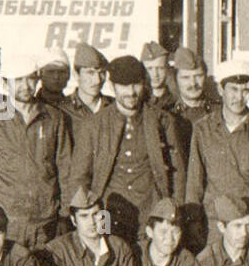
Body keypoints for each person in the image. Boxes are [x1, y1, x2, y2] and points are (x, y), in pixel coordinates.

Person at [68, 54, 185, 244]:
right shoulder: (94, 124)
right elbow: (80, 176)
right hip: (106, 212)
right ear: (113, 87)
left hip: (151, 209)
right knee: (109, 258)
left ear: (143, 84)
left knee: (149, 261)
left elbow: (178, 172)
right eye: (124, 86)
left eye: (136, 85)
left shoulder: (162, 121)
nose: (131, 92)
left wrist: (173, 211)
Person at [184, 58, 249, 244]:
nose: (239, 98)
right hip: (215, 222)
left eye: (245, 91)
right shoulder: (203, 129)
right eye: (233, 90)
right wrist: (193, 220)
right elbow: (195, 181)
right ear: (221, 90)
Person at [0, 55, 73, 249]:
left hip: (47, 220)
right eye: (18, 80)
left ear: (38, 79)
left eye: (30, 78)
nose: (25, 85)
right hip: (9, 221)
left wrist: (64, 214)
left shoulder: (54, 118)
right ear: (5, 83)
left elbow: (65, 169)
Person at [62, 42, 112, 136]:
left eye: (102, 73)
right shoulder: (62, 111)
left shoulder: (115, 107)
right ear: (76, 75)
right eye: (90, 73)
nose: (97, 80)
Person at [168, 48, 215, 127]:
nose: (193, 83)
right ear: (176, 80)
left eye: (198, 76)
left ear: (205, 77)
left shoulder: (219, 111)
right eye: (186, 77)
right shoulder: (168, 113)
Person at [141, 42, 176, 109]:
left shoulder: (175, 99)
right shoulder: (140, 101)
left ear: (167, 68)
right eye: (150, 69)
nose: (155, 74)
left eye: (160, 68)